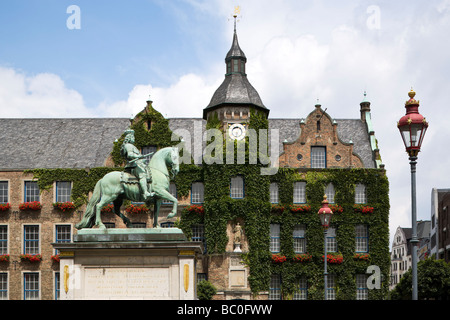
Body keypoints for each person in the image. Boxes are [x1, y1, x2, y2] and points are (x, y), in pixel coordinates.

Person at [120, 129, 154, 200]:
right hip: (133, 166)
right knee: (142, 175)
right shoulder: (128, 145)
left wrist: (142, 159)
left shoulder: (132, 146)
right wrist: (138, 156)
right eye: (133, 137)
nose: (134, 139)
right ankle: (145, 192)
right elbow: (130, 155)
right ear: (130, 138)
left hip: (138, 164)